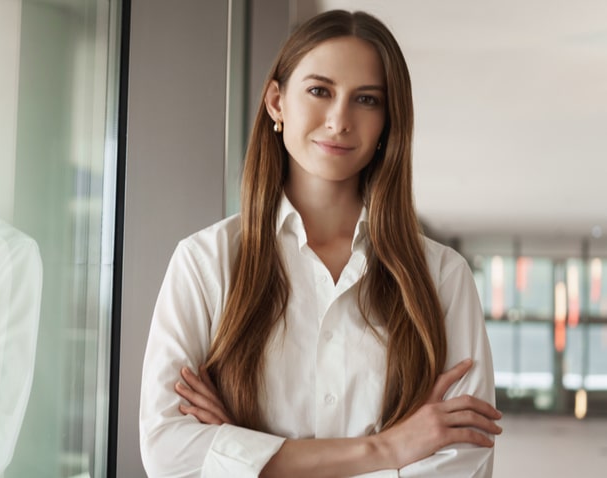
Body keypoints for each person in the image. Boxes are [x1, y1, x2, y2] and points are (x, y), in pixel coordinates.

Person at [139, 9, 501, 478]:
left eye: (366, 99)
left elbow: (461, 464)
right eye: (319, 91)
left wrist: (245, 453)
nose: (339, 119)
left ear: (388, 122)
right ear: (276, 102)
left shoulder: (443, 277)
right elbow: (168, 453)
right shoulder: (205, 262)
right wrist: (387, 450)